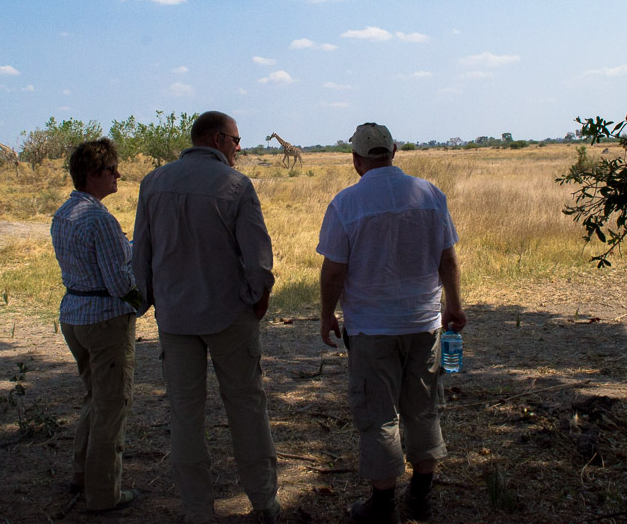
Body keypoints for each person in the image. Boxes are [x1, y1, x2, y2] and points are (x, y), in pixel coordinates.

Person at [132, 111, 281, 524]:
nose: (239, 148)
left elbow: (140, 252)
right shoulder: (235, 185)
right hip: (229, 314)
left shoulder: (153, 183)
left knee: (184, 413)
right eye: (236, 140)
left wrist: (144, 301)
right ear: (217, 139)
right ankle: (264, 502)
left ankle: (197, 510)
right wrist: (257, 296)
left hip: (175, 318)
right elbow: (257, 256)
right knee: (247, 406)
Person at [317, 123, 466, 524]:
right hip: (424, 324)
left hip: (371, 329)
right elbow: (448, 259)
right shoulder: (431, 195)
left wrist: (327, 313)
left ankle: (382, 507)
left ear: (356, 160)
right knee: (424, 409)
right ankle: (421, 496)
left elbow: (333, 272)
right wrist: (453, 305)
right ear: (394, 150)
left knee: (379, 416)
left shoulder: (346, 203)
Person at [52, 138, 143, 514]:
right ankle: (105, 494)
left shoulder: (64, 213)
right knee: (112, 407)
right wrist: (145, 303)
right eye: (111, 170)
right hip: (105, 320)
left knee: (95, 399)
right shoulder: (100, 220)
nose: (118, 174)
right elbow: (120, 283)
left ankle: (81, 475)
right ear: (92, 175)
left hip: (74, 315)